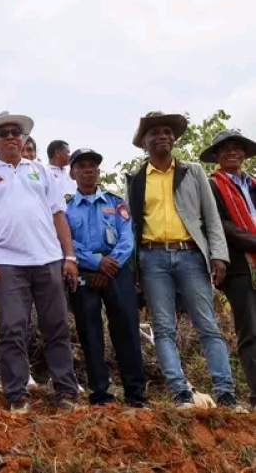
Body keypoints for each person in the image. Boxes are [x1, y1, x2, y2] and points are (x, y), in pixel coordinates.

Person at [0, 111, 80, 412]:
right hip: (6, 262)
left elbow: (58, 214)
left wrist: (69, 256)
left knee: (56, 326)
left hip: (48, 259)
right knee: (12, 328)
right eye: (4, 134)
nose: (12, 137)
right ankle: (17, 395)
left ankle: (66, 392)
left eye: (16, 132)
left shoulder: (41, 171)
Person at [127, 111, 236, 408]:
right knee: (163, 328)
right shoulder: (136, 179)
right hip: (153, 259)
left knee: (208, 325)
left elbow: (211, 218)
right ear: (145, 142)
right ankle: (180, 392)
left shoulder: (193, 172)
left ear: (173, 138)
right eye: (156, 132)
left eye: (167, 131)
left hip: (191, 255)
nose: (163, 135)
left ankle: (225, 392)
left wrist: (219, 256)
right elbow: (132, 226)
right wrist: (134, 269)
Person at [65, 148, 148, 407]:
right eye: (82, 166)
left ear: (98, 171)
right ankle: (100, 394)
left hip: (117, 270)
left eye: (93, 166)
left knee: (126, 329)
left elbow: (127, 237)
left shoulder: (115, 202)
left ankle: (136, 394)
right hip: (84, 273)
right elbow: (66, 241)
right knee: (89, 332)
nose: (88, 170)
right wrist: (96, 262)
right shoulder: (66, 209)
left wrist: (110, 264)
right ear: (72, 173)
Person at [203, 129, 256, 410]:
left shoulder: (254, 184)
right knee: (250, 331)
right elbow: (222, 225)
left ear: (245, 153)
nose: (232, 152)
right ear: (217, 156)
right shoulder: (213, 186)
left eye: (237, 148)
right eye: (225, 149)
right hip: (239, 267)